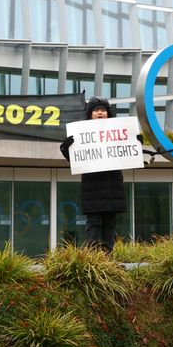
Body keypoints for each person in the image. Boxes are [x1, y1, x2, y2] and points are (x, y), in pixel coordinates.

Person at [60, 96, 127, 252]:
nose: (100, 113)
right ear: (90, 114)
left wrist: (134, 142)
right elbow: (77, 159)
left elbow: (127, 154)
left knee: (109, 224)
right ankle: (91, 258)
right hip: (93, 188)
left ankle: (108, 258)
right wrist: (66, 149)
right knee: (94, 223)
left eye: (103, 110)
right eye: (96, 110)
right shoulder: (82, 134)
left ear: (108, 114)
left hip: (112, 188)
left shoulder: (117, 133)